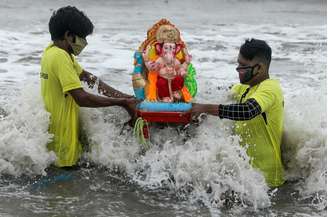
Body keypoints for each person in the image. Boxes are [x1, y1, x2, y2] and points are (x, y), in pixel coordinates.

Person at [40, 6, 138, 167]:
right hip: (62, 144)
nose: (84, 42)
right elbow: (81, 98)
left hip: (59, 137)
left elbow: (87, 78)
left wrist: (125, 97)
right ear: (68, 35)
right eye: (82, 37)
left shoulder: (53, 51)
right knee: (64, 186)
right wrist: (121, 103)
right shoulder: (60, 57)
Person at [192, 39, 285, 188]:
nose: (238, 69)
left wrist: (204, 108)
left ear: (259, 68)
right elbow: (217, 94)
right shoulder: (245, 88)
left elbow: (247, 111)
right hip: (246, 178)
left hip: (268, 182)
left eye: (243, 66)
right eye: (238, 64)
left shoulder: (270, 89)